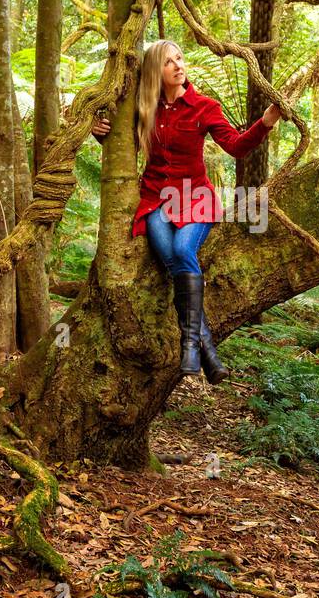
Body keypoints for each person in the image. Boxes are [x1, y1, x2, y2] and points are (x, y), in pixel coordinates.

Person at [92, 40, 281, 382]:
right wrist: (99, 132)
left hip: (195, 199)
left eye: (180, 58)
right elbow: (119, 144)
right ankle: (206, 346)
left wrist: (265, 122)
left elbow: (236, 147)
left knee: (182, 250)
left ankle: (190, 345)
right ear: (155, 72)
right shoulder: (142, 108)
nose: (179, 65)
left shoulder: (204, 107)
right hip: (155, 200)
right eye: (169, 62)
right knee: (172, 260)